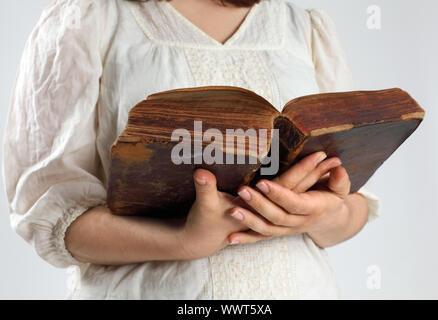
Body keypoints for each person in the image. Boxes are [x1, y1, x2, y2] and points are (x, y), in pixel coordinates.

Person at [3, 0, 380, 299]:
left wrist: (319, 215)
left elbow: (352, 202)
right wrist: (183, 239)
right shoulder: (89, 18)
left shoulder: (305, 30)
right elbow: (47, 212)